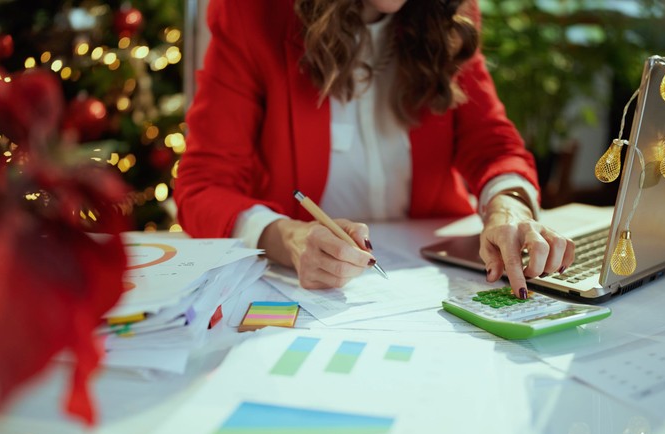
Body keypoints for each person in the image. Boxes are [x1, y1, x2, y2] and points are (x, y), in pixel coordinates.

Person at [175, 0, 575, 297]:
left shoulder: (448, 13)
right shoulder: (252, 13)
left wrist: (507, 208)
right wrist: (290, 238)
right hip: (307, 292)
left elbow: (492, 145)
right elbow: (203, 186)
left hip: (434, 282)